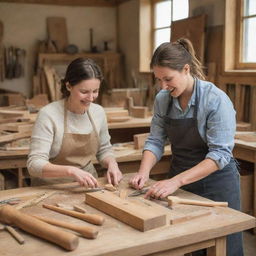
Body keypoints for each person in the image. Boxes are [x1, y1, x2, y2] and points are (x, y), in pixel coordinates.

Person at [129, 38, 243, 256]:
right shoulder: (164, 99)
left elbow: (219, 154)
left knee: (223, 247)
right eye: (159, 80)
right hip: (180, 182)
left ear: (186, 69)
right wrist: (143, 173)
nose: (163, 86)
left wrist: (175, 181)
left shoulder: (215, 100)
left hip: (216, 183)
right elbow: (155, 140)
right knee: (188, 244)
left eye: (168, 79)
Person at [27, 57, 122, 187]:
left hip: (88, 184)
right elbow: (34, 164)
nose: (90, 98)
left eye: (95, 91)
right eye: (84, 92)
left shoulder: (98, 112)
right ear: (68, 86)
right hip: (50, 187)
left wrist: (112, 164)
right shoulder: (49, 114)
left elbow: (104, 150)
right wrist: (71, 171)